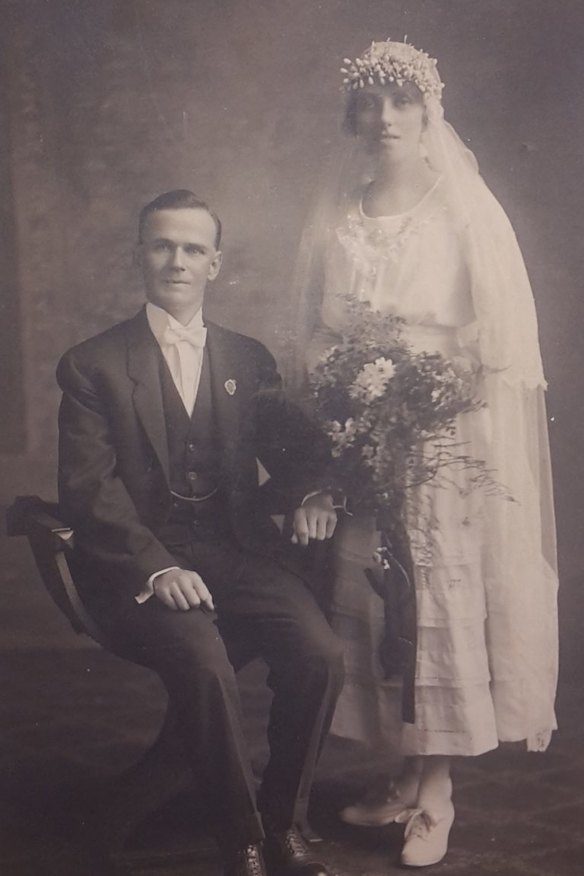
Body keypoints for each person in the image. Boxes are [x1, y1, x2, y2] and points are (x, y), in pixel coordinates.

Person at [292, 40, 559, 867]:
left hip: (442, 438)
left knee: (435, 600)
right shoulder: (339, 209)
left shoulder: (463, 210)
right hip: (362, 435)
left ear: (428, 111)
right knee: (381, 606)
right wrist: (346, 400)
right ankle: (405, 774)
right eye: (368, 105)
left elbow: (504, 345)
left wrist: (423, 399)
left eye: (399, 102)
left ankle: (436, 789)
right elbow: (314, 330)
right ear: (354, 118)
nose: (383, 119)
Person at [56, 189, 345, 876]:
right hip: (142, 566)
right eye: (162, 245)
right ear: (139, 256)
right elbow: (88, 490)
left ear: (215, 264)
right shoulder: (93, 364)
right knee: (205, 660)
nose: (176, 261)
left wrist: (311, 491)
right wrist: (155, 568)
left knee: (320, 654)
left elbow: (299, 447)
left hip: (235, 552)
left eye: (192, 249)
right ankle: (239, 838)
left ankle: (285, 823)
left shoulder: (247, 359)